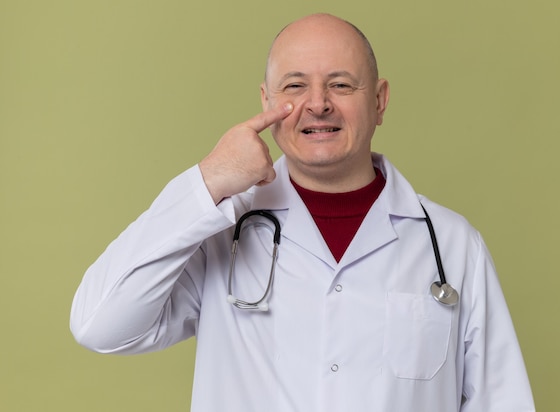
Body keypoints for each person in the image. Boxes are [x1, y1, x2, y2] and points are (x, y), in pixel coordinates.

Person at [70, 13, 535, 412]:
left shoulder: (452, 245)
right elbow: (100, 326)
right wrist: (210, 180)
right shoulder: (220, 231)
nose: (318, 103)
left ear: (379, 100)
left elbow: (503, 400)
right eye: (295, 86)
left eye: (341, 84)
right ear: (268, 103)